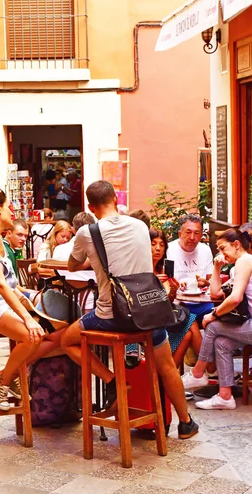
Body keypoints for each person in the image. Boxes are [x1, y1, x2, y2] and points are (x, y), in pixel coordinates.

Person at [60, 180, 199, 439]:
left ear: (90, 206)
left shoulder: (86, 233)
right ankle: (186, 422)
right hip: (148, 312)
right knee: (167, 366)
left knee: (67, 340)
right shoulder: (140, 226)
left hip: (111, 317)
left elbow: (71, 265)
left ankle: (114, 381)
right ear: (115, 197)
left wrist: (91, 260)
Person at [0, 185, 67, 411]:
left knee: (53, 330)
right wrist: (28, 319)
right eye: (9, 207)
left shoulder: (0, 240)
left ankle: (14, 374)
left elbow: (12, 286)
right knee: (32, 335)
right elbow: (0, 286)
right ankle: (3, 378)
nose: (12, 211)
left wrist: (32, 302)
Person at [182, 228, 252, 410]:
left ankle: (198, 373)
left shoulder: (246, 261)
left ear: (236, 245)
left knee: (213, 326)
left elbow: (235, 298)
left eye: (223, 248)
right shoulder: (239, 266)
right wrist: (216, 268)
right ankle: (225, 396)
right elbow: (216, 293)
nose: (221, 253)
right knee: (222, 343)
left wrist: (213, 314)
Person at [149, 228, 202, 369]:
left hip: (164, 316)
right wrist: (154, 283)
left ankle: (172, 377)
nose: (158, 248)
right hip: (150, 320)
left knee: (189, 332)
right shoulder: (143, 270)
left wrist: (173, 289)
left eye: (161, 244)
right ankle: (207, 368)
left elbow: (168, 301)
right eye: (153, 244)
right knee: (192, 322)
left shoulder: (162, 270)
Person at [167, 214, 214, 325]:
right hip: (177, 303)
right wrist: (176, 285)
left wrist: (206, 282)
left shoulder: (205, 250)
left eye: (196, 233)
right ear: (180, 234)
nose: (192, 237)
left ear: (201, 235)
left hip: (203, 302)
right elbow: (164, 282)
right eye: (188, 232)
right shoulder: (169, 250)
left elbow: (211, 281)